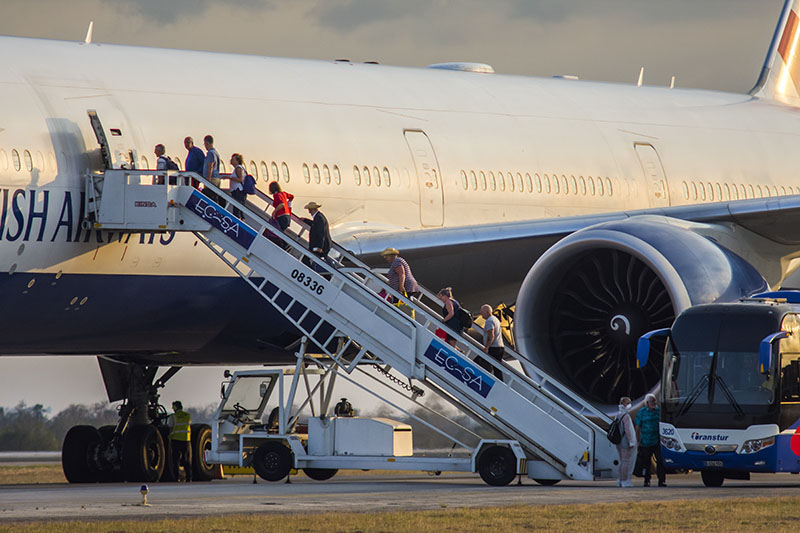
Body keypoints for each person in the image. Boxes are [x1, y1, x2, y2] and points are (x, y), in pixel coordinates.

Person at [635, 393, 667, 487]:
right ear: (647, 403)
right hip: (646, 441)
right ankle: (647, 480)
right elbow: (637, 427)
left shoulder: (658, 411)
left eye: (654, 400)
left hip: (657, 441)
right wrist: (638, 440)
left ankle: (661, 480)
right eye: (652, 401)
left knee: (660, 461)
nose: (654, 402)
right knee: (646, 462)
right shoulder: (642, 412)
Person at [473, 304, 504, 380]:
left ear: (487, 312)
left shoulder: (489, 321)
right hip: (500, 347)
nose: (481, 314)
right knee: (497, 369)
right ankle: (499, 382)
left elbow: (491, 336)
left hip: (493, 348)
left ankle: (482, 379)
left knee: (478, 361)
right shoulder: (495, 319)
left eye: (482, 312)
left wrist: (486, 347)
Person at [302, 201, 331, 271]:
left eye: (310, 210)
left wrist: (319, 247)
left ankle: (311, 273)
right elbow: (315, 225)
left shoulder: (319, 218)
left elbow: (321, 233)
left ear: (313, 209)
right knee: (316, 261)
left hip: (318, 246)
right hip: (319, 246)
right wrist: (305, 220)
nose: (309, 212)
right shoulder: (319, 217)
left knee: (306, 259)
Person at [167, 400, 192, 482]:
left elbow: (170, 427)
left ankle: (176, 478)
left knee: (175, 460)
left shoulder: (173, 417)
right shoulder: (187, 415)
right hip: (186, 440)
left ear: (175, 407)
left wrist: (169, 436)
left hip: (176, 440)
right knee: (186, 459)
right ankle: (188, 477)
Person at [615, 396, 637, 488]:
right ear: (623, 404)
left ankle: (619, 480)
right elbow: (628, 430)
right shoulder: (626, 416)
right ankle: (625, 481)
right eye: (628, 403)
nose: (630, 405)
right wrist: (632, 441)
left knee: (622, 461)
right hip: (625, 441)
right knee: (626, 462)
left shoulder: (617, 414)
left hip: (619, 441)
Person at [202, 134, 222, 204]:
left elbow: (210, 166)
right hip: (216, 178)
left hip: (212, 179)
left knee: (210, 197)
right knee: (214, 197)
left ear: (207, 143)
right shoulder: (216, 153)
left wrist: (208, 180)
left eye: (204, 144)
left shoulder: (210, 153)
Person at [226, 153, 247, 219]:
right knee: (239, 210)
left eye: (233, 159)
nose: (231, 160)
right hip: (237, 191)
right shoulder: (238, 168)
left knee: (237, 210)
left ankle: (239, 221)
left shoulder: (238, 168)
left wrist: (229, 177)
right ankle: (241, 220)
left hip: (238, 191)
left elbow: (240, 179)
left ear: (237, 161)